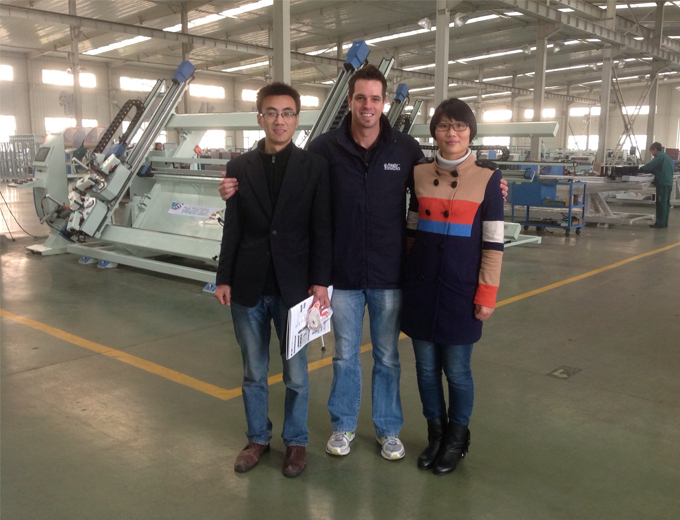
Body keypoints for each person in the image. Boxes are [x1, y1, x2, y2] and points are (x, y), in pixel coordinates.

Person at [219, 66, 508, 462]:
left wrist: (491, 181)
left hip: (391, 274)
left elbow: (439, 176)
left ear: (384, 102)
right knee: (344, 356)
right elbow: (292, 186)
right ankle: (343, 426)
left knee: (388, 357)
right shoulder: (324, 148)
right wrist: (233, 185)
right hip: (343, 275)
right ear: (350, 101)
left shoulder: (405, 149)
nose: (367, 105)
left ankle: (388, 430)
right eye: (360, 98)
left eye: (374, 98)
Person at [214, 82, 332, 478]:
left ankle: (296, 441)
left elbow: (322, 228)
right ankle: (258, 439)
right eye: (271, 113)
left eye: (287, 113)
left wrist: (320, 281)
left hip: (294, 288)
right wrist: (224, 277)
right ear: (259, 118)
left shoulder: (313, 167)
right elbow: (233, 226)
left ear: (297, 119)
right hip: (248, 285)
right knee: (253, 371)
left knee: (296, 374)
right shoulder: (239, 168)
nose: (279, 120)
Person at [401, 98, 504, 476]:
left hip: (461, 291)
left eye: (460, 126)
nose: (452, 133)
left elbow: (493, 244)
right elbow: (412, 230)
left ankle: (457, 440)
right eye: (444, 126)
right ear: (434, 133)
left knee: (457, 373)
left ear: (470, 131)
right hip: (422, 288)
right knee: (426, 371)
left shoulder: (488, 179)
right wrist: (408, 277)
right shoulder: (418, 173)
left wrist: (486, 294)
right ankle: (436, 435)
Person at [639, 142, 674, 228]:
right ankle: (664, 223)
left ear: (655, 149)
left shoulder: (659, 157)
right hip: (668, 183)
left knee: (661, 203)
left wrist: (640, 169)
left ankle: (660, 223)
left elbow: (650, 166)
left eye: (651, 151)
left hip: (662, 183)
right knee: (666, 203)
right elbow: (659, 168)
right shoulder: (667, 157)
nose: (652, 153)